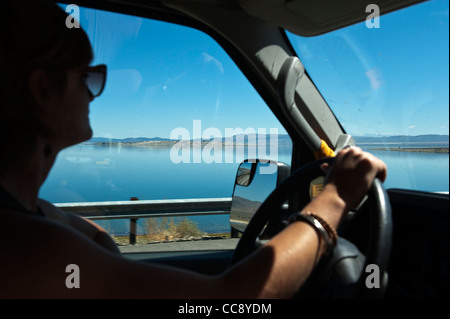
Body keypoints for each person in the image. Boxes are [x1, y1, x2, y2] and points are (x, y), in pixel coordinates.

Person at [0, 0, 387, 298]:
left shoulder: (33, 215)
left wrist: (110, 265)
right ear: (44, 89)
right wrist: (334, 199)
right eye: (87, 77)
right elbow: (230, 300)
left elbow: (96, 234)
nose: (92, 94)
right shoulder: (27, 247)